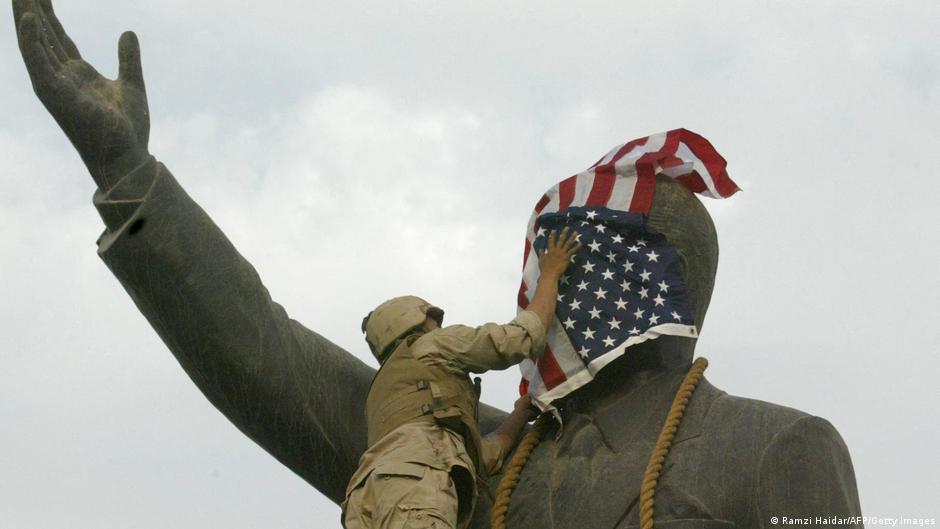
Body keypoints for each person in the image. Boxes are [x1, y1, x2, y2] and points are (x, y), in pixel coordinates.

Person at [344, 228, 580, 529]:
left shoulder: (383, 397)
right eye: (432, 318)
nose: (437, 324)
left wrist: (520, 415)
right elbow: (520, 339)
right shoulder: (430, 345)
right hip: (415, 488)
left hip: (362, 500)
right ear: (414, 320)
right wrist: (550, 274)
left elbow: (476, 458)